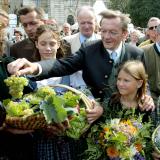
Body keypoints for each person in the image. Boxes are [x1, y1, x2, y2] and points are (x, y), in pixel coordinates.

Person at [7, 9, 155, 118]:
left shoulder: (136, 53)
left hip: (130, 116)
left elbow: (143, 82)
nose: (106, 37)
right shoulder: (89, 49)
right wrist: (35, 67)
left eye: (112, 32)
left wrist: (146, 96)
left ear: (124, 34)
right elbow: (63, 65)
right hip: (98, 118)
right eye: (103, 31)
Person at [31, 24, 93, 160]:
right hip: (43, 139)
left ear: (58, 44)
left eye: (52, 44)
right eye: (43, 43)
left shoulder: (72, 72)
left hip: (70, 136)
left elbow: (87, 100)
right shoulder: (31, 74)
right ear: (36, 44)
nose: (48, 48)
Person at [102, 60, 153, 159]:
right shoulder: (111, 103)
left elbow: (151, 136)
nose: (120, 84)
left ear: (139, 83)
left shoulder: (146, 107)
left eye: (126, 80)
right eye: (119, 79)